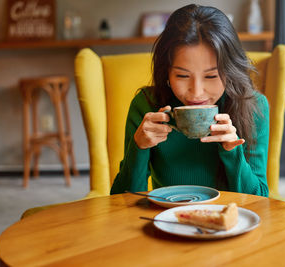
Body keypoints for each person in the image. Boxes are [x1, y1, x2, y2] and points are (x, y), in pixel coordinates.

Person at [110, 4, 269, 196]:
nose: (196, 93)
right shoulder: (146, 106)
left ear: (230, 72)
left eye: (211, 76)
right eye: (182, 76)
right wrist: (139, 148)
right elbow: (120, 200)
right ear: (166, 72)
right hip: (167, 221)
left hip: (229, 223)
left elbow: (260, 200)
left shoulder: (253, 106)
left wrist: (232, 151)